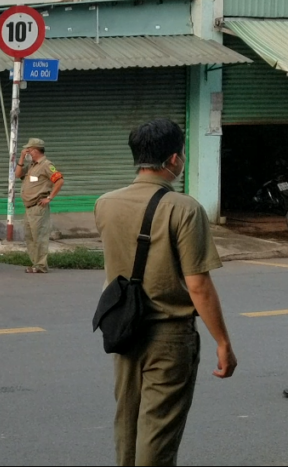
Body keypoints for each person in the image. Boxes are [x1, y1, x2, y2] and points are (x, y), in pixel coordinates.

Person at [95, 118, 237, 466]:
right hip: (169, 336)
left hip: (124, 330)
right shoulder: (184, 208)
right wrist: (223, 342)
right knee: (157, 434)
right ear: (174, 159)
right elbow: (198, 285)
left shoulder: (105, 203)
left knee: (127, 423)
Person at [14, 138, 64, 274]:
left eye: (29, 150)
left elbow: (59, 180)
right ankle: (35, 264)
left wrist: (49, 197)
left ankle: (41, 265)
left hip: (38, 207)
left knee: (39, 237)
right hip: (29, 207)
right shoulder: (32, 165)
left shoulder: (46, 165)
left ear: (35, 150)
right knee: (30, 237)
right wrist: (22, 158)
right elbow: (17, 174)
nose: (27, 151)